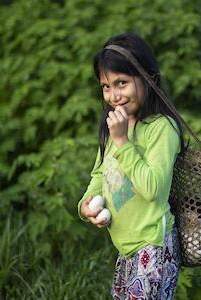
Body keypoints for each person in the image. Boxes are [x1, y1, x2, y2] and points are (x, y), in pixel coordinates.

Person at [77, 32, 189, 299]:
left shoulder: (161, 128)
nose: (113, 95)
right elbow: (100, 173)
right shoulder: (115, 125)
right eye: (106, 86)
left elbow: (153, 189)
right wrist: (86, 205)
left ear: (149, 78)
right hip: (126, 247)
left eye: (122, 83)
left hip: (153, 245)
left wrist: (122, 141)